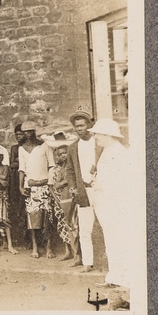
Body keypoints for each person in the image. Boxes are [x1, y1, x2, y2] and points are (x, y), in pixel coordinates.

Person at [89, 119, 136, 293]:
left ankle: (129, 280)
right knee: (112, 242)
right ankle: (115, 277)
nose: (95, 137)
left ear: (108, 135)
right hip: (106, 205)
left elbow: (127, 182)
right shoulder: (107, 151)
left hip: (118, 205)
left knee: (123, 241)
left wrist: (103, 186)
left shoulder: (121, 153)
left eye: (98, 134)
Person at [64, 110, 100, 273]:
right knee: (85, 228)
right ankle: (87, 262)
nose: (79, 129)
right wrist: (73, 188)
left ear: (89, 125)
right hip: (83, 192)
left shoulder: (98, 143)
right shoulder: (73, 147)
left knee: (107, 225)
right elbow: (70, 170)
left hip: (100, 190)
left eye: (82, 125)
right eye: (76, 126)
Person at [18, 121, 55, 258]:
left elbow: (51, 165)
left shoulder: (45, 146)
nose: (28, 134)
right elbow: (21, 169)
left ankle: (49, 247)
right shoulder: (21, 148)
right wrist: (21, 186)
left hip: (45, 187)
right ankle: (35, 247)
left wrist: (48, 181)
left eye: (31, 131)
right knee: (33, 219)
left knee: (47, 218)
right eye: (25, 132)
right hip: (31, 188)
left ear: (35, 132)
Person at [47, 140, 77, 262]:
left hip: (70, 199)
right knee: (63, 226)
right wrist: (57, 200)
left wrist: (64, 183)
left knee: (73, 224)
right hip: (59, 201)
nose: (62, 156)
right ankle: (67, 251)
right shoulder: (53, 170)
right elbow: (52, 187)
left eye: (65, 153)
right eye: (60, 154)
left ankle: (76, 253)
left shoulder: (71, 167)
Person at [9, 123, 29, 247]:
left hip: (27, 177)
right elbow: (12, 164)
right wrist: (19, 161)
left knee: (26, 208)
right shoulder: (14, 148)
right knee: (16, 208)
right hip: (16, 180)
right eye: (16, 135)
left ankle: (28, 238)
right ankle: (18, 238)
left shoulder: (28, 147)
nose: (18, 137)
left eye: (21, 134)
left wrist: (19, 161)